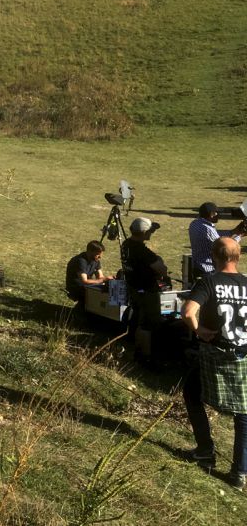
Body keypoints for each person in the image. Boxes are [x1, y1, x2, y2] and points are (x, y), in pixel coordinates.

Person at [182, 237, 247, 489]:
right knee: (243, 414)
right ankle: (240, 473)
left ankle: (206, 451)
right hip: (242, 354)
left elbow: (188, 312)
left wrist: (199, 331)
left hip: (214, 354)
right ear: (238, 256)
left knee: (192, 393)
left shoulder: (208, 281)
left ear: (214, 256)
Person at [121, 217, 170, 339]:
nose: (152, 233)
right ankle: (145, 354)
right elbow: (162, 269)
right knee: (148, 324)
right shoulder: (142, 251)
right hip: (147, 291)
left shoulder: (126, 244)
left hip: (133, 287)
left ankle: (132, 341)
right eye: (150, 230)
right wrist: (159, 259)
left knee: (137, 316)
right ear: (144, 233)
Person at [189, 202, 246, 282]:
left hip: (198, 266)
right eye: (217, 213)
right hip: (208, 270)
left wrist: (233, 231)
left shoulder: (195, 223)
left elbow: (216, 235)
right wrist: (240, 236)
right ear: (211, 214)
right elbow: (225, 247)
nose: (218, 215)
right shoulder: (208, 229)